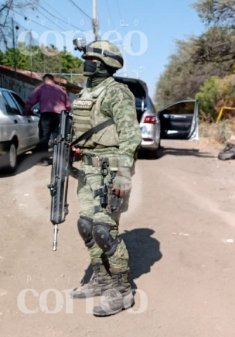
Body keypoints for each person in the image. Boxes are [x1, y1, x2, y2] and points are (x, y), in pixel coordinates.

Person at [69, 40, 141, 317]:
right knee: (86, 224)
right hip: (88, 168)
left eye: (92, 59)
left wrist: (123, 174)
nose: (87, 62)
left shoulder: (117, 93)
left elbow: (130, 137)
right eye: (86, 57)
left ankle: (122, 290)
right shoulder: (88, 92)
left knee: (104, 229)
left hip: (111, 170)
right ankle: (101, 277)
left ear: (105, 64)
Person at [25, 73, 71, 155]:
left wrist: (27, 111)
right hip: (60, 116)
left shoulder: (41, 88)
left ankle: (44, 158)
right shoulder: (60, 89)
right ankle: (58, 156)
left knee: (44, 137)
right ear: (52, 80)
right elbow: (68, 105)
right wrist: (67, 113)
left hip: (46, 115)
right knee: (58, 136)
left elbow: (30, 101)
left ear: (44, 80)